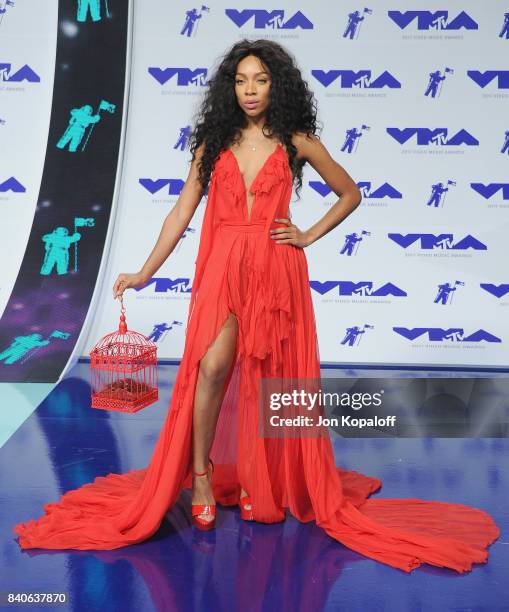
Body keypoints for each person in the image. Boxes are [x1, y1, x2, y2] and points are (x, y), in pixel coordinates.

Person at [13, 39, 499, 573]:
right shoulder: (214, 143)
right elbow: (180, 213)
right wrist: (145, 271)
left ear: (276, 85)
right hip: (222, 267)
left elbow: (350, 192)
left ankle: (259, 481)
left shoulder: (296, 141)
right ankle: (200, 473)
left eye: (260, 80)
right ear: (231, 87)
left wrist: (308, 234)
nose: (249, 90)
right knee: (213, 367)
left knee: (271, 374)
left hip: (274, 269)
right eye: (241, 80)